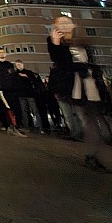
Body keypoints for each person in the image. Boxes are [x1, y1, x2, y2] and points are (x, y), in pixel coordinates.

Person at [47, 15, 112, 173]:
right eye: (60, 23)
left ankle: (97, 152)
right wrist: (55, 42)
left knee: (102, 121)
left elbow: (91, 61)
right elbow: (58, 60)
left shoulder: (80, 42)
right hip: (77, 88)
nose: (65, 25)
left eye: (67, 22)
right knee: (89, 123)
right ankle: (92, 156)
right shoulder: (57, 43)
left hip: (92, 86)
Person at [9, 60, 41, 132]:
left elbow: (35, 80)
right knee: (24, 111)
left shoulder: (28, 72)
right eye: (17, 65)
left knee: (34, 110)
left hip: (30, 94)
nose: (18, 66)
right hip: (21, 95)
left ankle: (39, 126)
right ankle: (27, 126)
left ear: (22, 64)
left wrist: (26, 76)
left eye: (19, 64)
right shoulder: (15, 74)